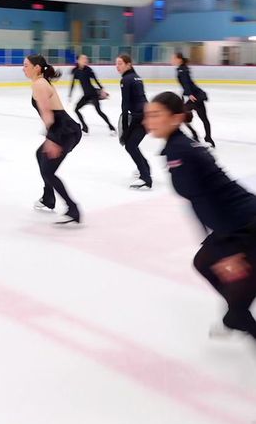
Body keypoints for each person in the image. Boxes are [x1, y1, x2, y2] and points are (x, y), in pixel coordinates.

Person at [145, 91, 256, 339]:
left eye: (155, 115)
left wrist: (229, 252)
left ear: (175, 118)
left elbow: (202, 201)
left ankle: (239, 316)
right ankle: (238, 313)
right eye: (147, 115)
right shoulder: (178, 148)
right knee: (206, 263)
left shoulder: (181, 152)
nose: (148, 121)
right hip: (236, 222)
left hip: (246, 225)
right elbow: (200, 201)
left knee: (232, 295)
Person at [24, 54, 82, 225]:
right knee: (39, 155)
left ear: (36, 68)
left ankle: (73, 209)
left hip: (64, 131)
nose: (23, 68)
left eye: (26, 65)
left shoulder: (39, 84)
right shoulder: (40, 82)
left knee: (48, 171)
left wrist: (52, 139)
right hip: (64, 128)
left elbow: (49, 115)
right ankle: (48, 197)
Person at [116, 53, 152, 190]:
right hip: (147, 114)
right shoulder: (137, 77)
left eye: (120, 63)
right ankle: (145, 169)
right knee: (132, 145)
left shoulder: (126, 79)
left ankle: (146, 178)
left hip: (139, 117)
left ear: (128, 64)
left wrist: (125, 128)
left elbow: (125, 105)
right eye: (116, 63)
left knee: (130, 145)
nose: (117, 66)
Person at [172, 52, 214, 148]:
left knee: (181, 116)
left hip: (194, 97)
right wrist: (185, 94)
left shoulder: (182, 70)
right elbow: (186, 83)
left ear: (179, 59)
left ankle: (196, 135)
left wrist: (189, 94)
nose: (172, 60)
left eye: (173, 58)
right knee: (203, 118)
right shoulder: (182, 69)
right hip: (196, 96)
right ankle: (208, 137)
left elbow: (186, 83)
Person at [69, 54, 115, 135]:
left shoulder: (88, 70)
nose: (86, 60)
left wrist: (102, 90)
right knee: (76, 109)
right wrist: (70, 94)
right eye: (83, 59)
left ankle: (112, 128)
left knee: (99, 111)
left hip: (93, 94)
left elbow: (96, 81)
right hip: (86, 95)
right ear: (78, 60)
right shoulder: (76, 71)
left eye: (86, 59)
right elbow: (73, 83)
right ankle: (85, 128)